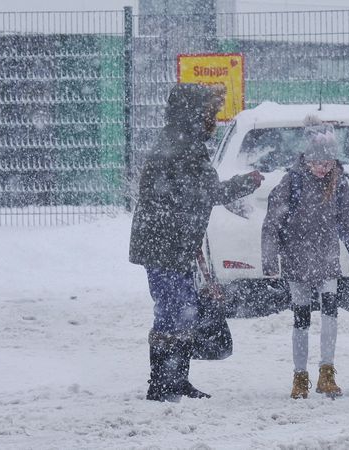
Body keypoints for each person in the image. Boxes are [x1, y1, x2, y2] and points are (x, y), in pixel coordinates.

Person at [129, 83, 263, 402]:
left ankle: (175, 381)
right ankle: (162, 384)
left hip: (170, 241)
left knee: (182, 310)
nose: (214, 120)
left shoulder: (180, 140)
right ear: (194, 113)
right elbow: (208, 192)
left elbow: (193, 193)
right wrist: (247, 182)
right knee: (174, 311)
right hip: (164, 243)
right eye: (210, 113)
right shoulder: (183, 144)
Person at [261, 114, 349, 399]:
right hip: (297, 260)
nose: (323, 168)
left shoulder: (339, 183)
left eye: (328, 163)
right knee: (301, 319)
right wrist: (270, 263)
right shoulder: (290, 182)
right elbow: (272, 224)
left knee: (330, 314)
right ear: (306, 159)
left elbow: (346, 224)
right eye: (318, 163)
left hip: (327, 258)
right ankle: (300, 375)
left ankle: (327, 372)